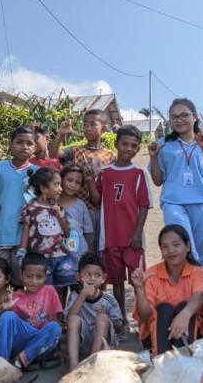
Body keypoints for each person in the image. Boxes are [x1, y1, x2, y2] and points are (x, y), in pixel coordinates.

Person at [89, 125, 151, 330]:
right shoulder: (104, 173)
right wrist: (89, 182)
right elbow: (96, 200)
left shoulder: (139, 174)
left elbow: (144, 206)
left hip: (132, 239)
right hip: (110, 238)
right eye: (125, 144)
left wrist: (137, 232)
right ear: (116, 144)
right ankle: (121, 319)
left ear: (138, 148)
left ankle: (143, 321)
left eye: (134, 146)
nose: (129, 149)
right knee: (116, 282)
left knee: (138, 281)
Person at [148, 98, 203, 270]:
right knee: (184, 250)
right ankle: (184, 285)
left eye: (184, 115)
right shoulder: (163, 144)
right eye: (174, 117)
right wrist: (154, 158)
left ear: (194, 117)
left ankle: (201, 287)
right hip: (174, 203)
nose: (179, 120)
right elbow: (157, 181)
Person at [131, 224, 203, 356]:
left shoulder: (197, 272)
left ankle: (185, 358)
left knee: (184, 306)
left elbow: (199, 296)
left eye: (176, 245)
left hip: (190, 333)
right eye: (165, 247)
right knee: (164, 308)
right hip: (155, 336)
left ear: (188, 247)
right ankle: (162, 357)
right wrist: (139, 289)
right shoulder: (151, 274)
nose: (171, 250)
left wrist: (184, 314)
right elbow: (144, 317)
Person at [49, 109, 115, 253]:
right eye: (85, 124)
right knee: (78, 246)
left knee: (99, 248)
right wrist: (60, 134)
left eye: (93, 124)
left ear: (104, 128)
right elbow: (53, 155)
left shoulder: (110, 156)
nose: (87, 128)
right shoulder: (75, 151)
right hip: (78, 209)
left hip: (102, 211)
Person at [0, 252, 63, 370]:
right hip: (21, 342)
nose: (34, 281)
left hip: (41, 344)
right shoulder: (14, 297)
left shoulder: (50, 291)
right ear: (21, 275)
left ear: (46, 276)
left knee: (55, 327)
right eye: (29, 276)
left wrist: (57, 348)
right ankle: (0, 365)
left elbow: (55, 321)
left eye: (39, 277)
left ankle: (20, 361)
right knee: (8, 316)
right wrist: (3, 309)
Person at [0, 126, 39, 287]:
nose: (24, 147)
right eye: (19, 142)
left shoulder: (39, 173)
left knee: (20, 283)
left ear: (35, 147)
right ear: (10, 144)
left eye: (29, 143)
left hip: (26, 237)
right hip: (0, 233)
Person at [20, 167, 78, 302]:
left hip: (61, 257)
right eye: (56, 185)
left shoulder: (59, 209)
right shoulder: (29, 209)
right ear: (44, 188)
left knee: (61, 289)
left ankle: (59, 312)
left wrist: (58, 215)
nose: (60, 189)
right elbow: (25, 232)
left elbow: (67, 233)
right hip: (40, 260)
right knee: (43, 291)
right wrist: (21, 252)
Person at [64, 252, 124, 369]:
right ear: (78, 276)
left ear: (103, 278)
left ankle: (92, 365)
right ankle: (73, 367)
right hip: (83, 343)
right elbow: (69, 319)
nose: (92, 279)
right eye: (87, 274)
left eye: (97, 275)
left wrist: (106, 317)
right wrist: (83, 295)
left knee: (102, 318)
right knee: (73, 319)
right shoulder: (75, 296)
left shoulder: (108, 299)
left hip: (104, 346)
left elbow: (119, 327)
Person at [58, 164, 92, 264]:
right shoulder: (51, 203)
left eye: (77, 182)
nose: (73, 185)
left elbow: (89, 232)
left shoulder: (81, 205)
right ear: (61, 180)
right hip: (56, 255)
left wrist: (89, 255)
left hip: (79, 255)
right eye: (69, 180)